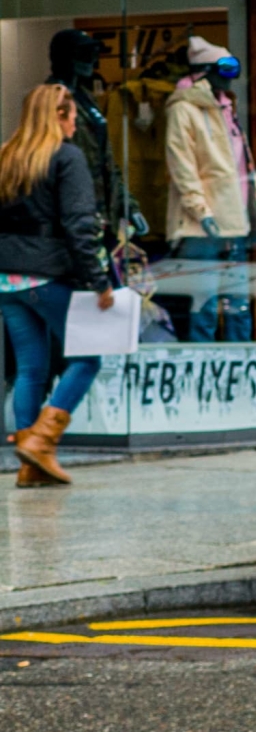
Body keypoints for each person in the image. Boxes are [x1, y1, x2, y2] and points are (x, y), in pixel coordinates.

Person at [0, 83, 113, 486]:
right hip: (49, 276)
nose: (75, 124)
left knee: (31, 367)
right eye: (72, 117)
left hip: (7, 281)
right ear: (59, 117)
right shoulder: (67, 157)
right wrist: (98, 281)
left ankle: (31, 468)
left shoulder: (6, 157)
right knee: (89, 358)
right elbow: (79, 225)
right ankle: (42, 442)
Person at [162, 37, 256, 342]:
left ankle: (240, 369)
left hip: (234, 225)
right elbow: (182, 167)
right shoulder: (184, 110)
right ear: (203, 71)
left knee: (238, 305)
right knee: (204, 306)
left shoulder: (226, 110)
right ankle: (204, 370)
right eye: (225, 68)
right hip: (203, 229)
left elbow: (246, 172)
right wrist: (202, 213)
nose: (231, 76)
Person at [47, 29, 142, 253]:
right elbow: (50, 167)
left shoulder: (85, 97)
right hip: (74, 213)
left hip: (100, 211)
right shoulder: (49, 100)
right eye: (83, 54)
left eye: (92, 53)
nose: (91, 61)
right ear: (65, 56)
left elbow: (105, 160)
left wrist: (127, 205)